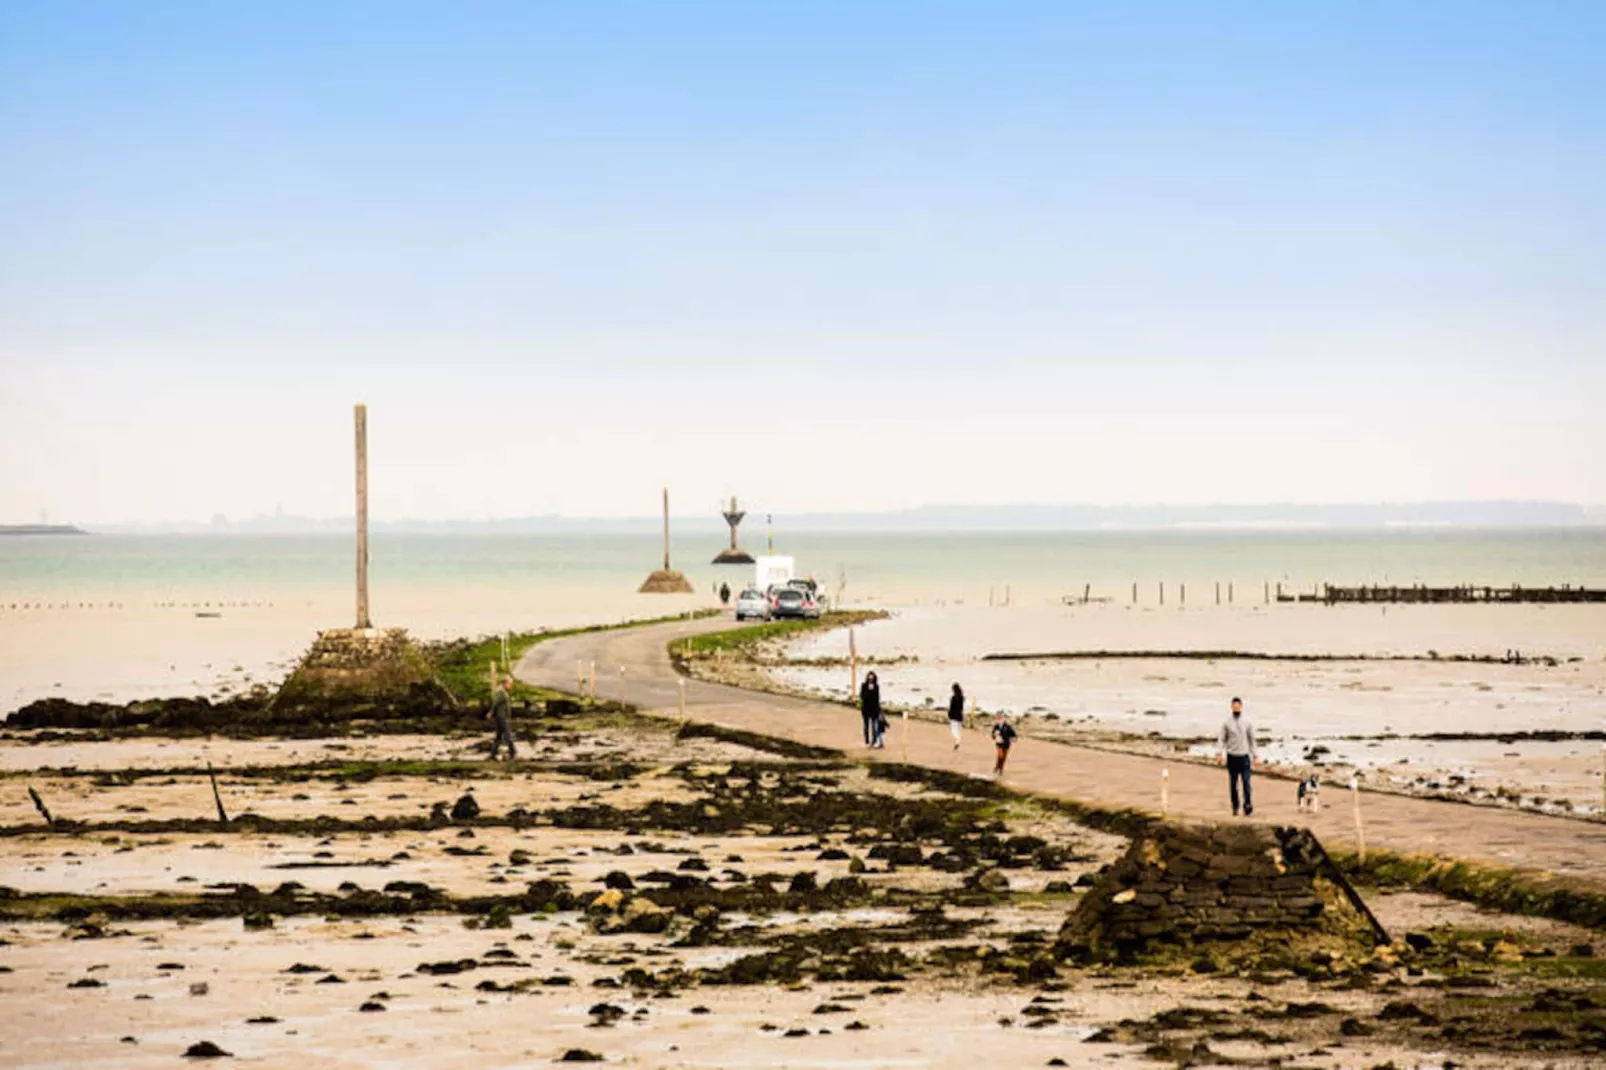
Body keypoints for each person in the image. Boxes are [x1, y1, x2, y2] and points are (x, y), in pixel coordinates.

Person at [1218, 696, 1255, 816]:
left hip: (1244, 756)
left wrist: (1255, 755)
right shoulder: (1226, 723)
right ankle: (1235, 806)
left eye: (1238, 706)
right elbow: (1222, 739)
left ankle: (1248, 805)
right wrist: (1220, 753)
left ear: (1241, 707)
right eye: (1234, 707)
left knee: (1246, 782)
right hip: (1232, 756)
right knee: (1233, 784)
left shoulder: (1247, 722)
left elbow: (1251, 739)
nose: (1236, 709)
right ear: (1231, 707)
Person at [488, 676, 517, 761]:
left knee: (498, 736)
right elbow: (495, 703)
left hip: (502, 717)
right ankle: (513, 753)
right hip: (502, 717)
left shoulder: (503, 691)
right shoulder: (501, 692)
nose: (511, 686)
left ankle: (493, 754)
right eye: (510, 684)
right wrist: (491, 712)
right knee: (507, 736)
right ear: (505, 683)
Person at [859, 671, 882, 748]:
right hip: (865, 709)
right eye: (869, 678)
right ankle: (867, 741)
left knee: (874, 727)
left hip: (874, 709)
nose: (871, 680)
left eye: (872, 678)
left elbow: (877, 698)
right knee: (866, 726)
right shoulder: (864, 685)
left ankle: (874, 741)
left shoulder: (876, 687)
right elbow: (862, 696)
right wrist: (868, 690)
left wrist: (879, 709)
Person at [947, 683, 966, 749]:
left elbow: (951, 707)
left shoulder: (953, 698)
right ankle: (957, 742)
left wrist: (949, 715)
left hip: (954, 716)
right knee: (957, 730)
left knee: (954, 731)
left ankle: (958, 741)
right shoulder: (961, 697)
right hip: (959, 716)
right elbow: (961, 708)